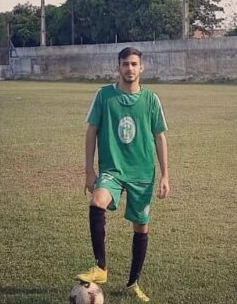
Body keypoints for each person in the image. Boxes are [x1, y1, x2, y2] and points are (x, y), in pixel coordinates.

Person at [76, 47, 170, 302]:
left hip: (142, 172)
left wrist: (165, 175)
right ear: (118, 67)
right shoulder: (104, 96)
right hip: (112, 170)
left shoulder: (151, 100)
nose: (129, 68)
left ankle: (132, 283)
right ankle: (101, 267)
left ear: (142, 68)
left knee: (141, 227)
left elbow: (160, 137)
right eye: (125, 64)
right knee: (97, 202)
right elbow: (91, 132)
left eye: (134, 64)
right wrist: (88, 170)